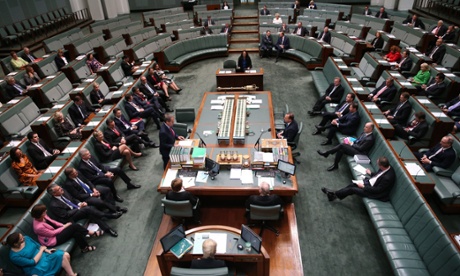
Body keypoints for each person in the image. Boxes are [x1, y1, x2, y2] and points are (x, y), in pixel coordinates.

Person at [47, 184, 119, 237]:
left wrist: (80, 203)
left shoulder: (63, 192)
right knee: (87, 209)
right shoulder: (54, 204)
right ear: (54, 193)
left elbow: (73, 199)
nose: (61, 189)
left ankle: (108, 229)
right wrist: (78, 208)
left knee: (90, 213)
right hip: (70, 218)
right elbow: (66, 215)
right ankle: (109, 215)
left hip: (77, 210)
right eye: (59, 189)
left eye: (60, 187)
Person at [321, 156, 396, 201]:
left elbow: (378, 190)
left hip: (375, 193)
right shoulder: (387, 167)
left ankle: (333, 194)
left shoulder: (387, 178)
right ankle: (334, 195)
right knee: (353, 184)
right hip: (371, 184)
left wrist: (364, 187)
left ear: (381, 166)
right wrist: (371, 173)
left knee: (352, 189)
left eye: (378, 165)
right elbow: (378, 175)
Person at [32, 204, 100, 253]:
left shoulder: (43, 216)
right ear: (40, 214)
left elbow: (54, 222)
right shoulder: (38, 227)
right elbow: (52, 234)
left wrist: (63, 225)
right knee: (74, 226)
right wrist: (65, 227)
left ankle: (85, 248)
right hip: (53, 240)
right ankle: (90, 233)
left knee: (75, 232)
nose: (46, 211)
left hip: (56, 232)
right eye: (44, 211)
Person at [3, 232, 77, 276]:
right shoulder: (14, 256)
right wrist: (41, 250)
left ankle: (71, 275)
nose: (24, 238)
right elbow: (32, 262)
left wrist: (47, 250)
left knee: (64, 255)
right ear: (16, 244)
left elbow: (38, 246)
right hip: (35, 267)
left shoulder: (27, 238)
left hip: (44, 256)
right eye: (21, 239)